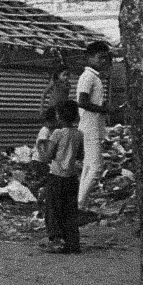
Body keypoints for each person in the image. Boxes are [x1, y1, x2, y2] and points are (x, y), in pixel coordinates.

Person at [36, 100, 85, 254]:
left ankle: (56, 240)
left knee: (53, 209)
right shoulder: (79, 134)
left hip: (56, 176)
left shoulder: (57, 134)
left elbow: (47, 156)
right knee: (70, 211)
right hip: (71, 178)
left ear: (59, 116)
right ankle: (72, 242)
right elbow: (80, 155)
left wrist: (40, 147)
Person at [75, 41, 116, 206]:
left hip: (93, 125)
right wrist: (103, 110)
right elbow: (82, 102)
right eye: (100, 58)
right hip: (90, 126)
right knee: (97, 168)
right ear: (89, 57)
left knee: (88, 167)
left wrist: (103, 108)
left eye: (105, 58)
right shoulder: (88, 76)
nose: (103, 61)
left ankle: (78, 204)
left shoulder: (94, 77)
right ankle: (79, 204)